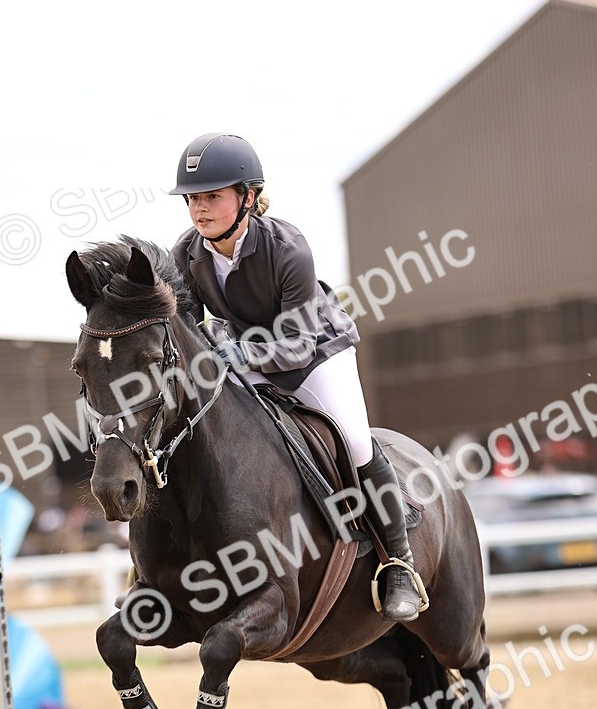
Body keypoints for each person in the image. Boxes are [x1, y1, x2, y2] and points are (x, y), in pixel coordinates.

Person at [169, 131, 424, 623]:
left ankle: (398, 563)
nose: (199, 209)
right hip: (244, 358)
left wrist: (233, 351)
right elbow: (186, 330)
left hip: (315, 355)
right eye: (193, 199)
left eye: (212, 196)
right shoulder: (186, 254)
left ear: (247, 196)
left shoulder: (288, 250)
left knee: (353, 442)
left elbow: (298, 344)